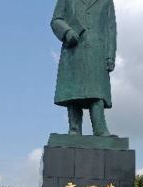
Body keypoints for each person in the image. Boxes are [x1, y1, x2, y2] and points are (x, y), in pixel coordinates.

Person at [51, 0, 117, 136]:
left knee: (97, 92)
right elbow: (56, 20)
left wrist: (110, 56)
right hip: (74, 51)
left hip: (97, 52)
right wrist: (67, 31)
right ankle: (74, 129)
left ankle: (100, 129)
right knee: (73, 92)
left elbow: (111, 29)